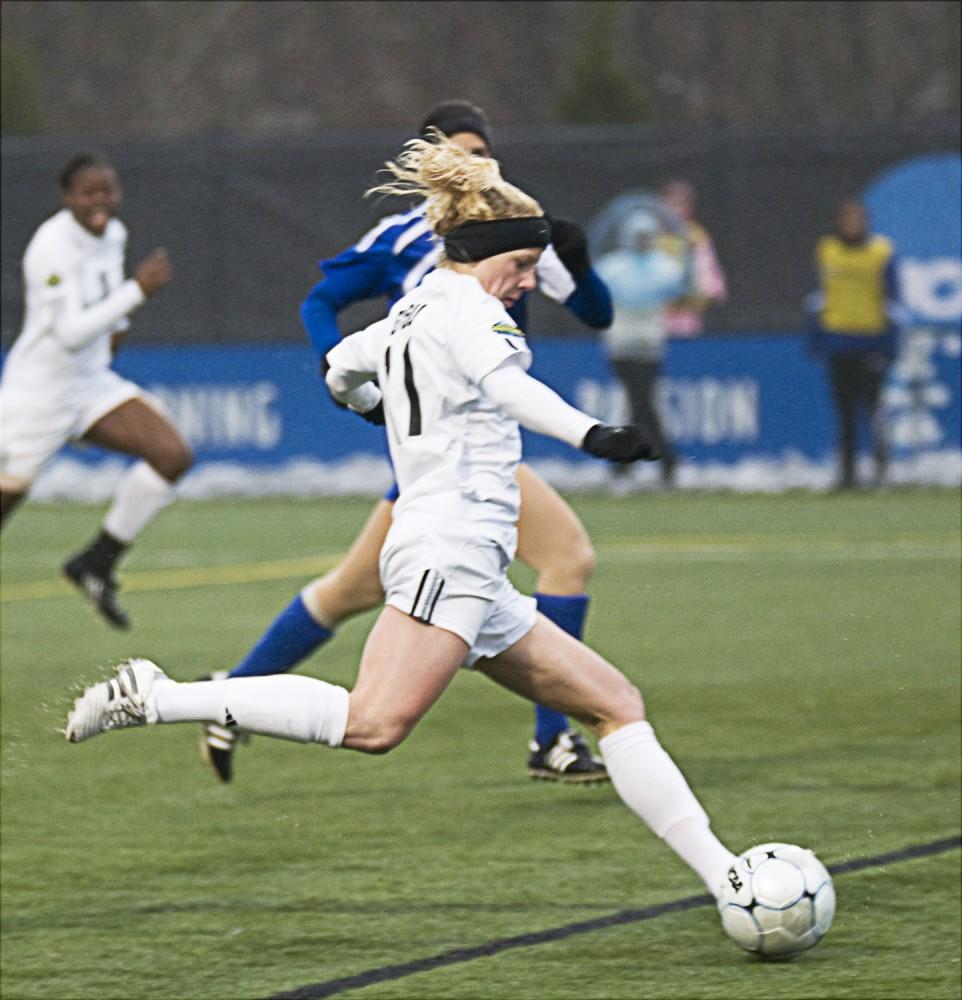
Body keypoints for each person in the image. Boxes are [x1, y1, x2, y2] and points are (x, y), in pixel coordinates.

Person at [65, 134, 740, 908]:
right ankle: (162, 695)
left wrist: (366, 401)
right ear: (486, 252)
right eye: (519, 266)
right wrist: (595, 434)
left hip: (471, 566)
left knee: (615, 704)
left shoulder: (418, 306)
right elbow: (514, 391)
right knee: (374, 723)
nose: (525, 283)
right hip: (446, 550)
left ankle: (727, 879)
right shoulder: (472, 316)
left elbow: (342, 364)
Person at [200, 100, 615, 784]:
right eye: (461, 153)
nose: (475, 165)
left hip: (467, 456)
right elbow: (320, 301)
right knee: (567, 558)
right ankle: (554, 741)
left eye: (483, 153)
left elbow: (595, 312)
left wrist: (577, 255)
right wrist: (347, 378)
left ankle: (233, 695)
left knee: (343, 595)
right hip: (444, 458)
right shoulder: (404, 236)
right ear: (434, 167)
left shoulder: (516, 232)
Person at [0, 151, 192, 628]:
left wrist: (120, 322)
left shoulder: (115, 234)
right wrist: (138, 291)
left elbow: (108, 311)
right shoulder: (51, 248)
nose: (101, 201)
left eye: (108, 190)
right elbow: (68, 333)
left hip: (88, 383)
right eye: (89, 192)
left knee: (172, 455)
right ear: (68, 198)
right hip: (38, 391)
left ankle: (96, 563)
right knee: (9, 494)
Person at [807, 199, 901, 491]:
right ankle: (847, 475)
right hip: (839, 340)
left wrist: (890, 344)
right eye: (847, 218)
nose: (852, 224)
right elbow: (818, 297)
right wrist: (817, 340)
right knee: (844, 413)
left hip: (871, 339)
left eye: (857, 218)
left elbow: (893, 299)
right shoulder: (827, 251)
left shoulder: (880, 252)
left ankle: (881, 471)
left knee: (874, 410)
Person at [595, 203, 689, 487]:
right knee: (641, 403)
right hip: (621, 343)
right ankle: (662, 461)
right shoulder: (614, 266)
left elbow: (680, 287)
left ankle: (634, 463)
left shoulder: (663, 266)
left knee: (640, 404)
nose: (642, 242)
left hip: (649, 344)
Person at [659, 180, 728, 339]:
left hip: (687, 316)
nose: (676, 209)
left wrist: (710, 290)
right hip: (656, 316)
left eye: (681, 204)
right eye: (671, 203)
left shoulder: (696, 236)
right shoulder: (650, 235)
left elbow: (708, 268)